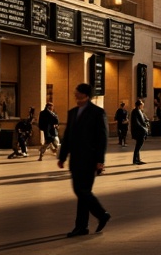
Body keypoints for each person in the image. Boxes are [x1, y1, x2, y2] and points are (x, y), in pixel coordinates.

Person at [57, 83, 111, 237]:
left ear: (86, 95)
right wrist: (62, 156)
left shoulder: (97, 112)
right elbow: (67, 137)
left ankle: (100, 215)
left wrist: (100, 160)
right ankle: (83, 226)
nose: (75, 96)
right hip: (76, 160)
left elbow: (103, 138)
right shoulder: (72, 112)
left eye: (78, 94)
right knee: (81, 192)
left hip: (90, 160)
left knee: (82, 191)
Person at [130, 100, 149, 165]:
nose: (143, 106)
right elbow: (137, 122)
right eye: (142, 105)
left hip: (141, 131)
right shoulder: (135, 111)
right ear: (139, 105)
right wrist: (144, 129)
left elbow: (143, 120)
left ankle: (137, 159)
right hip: (139, 131)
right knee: (138, 146)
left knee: (138, 146)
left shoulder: (139, 111)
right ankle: (135, 160)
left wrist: (146, 123)